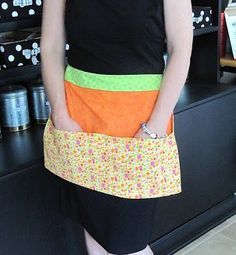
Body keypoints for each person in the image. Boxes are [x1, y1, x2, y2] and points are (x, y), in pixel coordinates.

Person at [40, 0, 193, 254]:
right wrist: (61, 114)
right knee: (94, 233)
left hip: (139, 128)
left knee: (129, 243)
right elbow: (50, 46)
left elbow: (181, 48)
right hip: (80, 123)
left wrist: (154, 126)